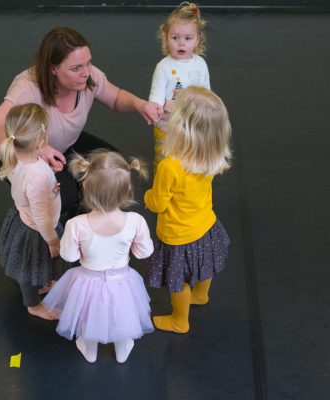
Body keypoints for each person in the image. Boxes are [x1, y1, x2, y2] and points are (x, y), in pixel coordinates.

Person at [0, 26, 163, 219]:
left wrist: (140, 104)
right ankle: (40, 217)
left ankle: (82, 221)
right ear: (52, 68)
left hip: (60, 144)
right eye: (76, 68)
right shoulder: (27, 88)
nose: (86, 72)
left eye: (88, 63)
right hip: (24, 153)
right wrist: (35, 148)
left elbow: (115, 98)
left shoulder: (89, 75)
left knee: (111, 168)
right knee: (64, 196)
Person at [43, 150, 154, 363]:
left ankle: (90, 350)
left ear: (85, 187)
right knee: (122, 316)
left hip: (87, 281)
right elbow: (144, 252)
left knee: (88, 317)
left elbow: (67, 255)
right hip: (121, 281)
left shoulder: (76, 224)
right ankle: (122, 351)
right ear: (127, 191)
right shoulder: (135, 221)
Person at [144, 86, 231, 334]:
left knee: (178, 281)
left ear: (182, 128)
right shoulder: (210, 156)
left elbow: (158, 204)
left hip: (178, 236)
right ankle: (201, 295)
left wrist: (148, 196)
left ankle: (179, 320)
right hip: (206, 226)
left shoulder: (170, 166)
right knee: (205, 265)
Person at [0, 103, 68, 321]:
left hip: (25, 220)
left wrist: (50, 179)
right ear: (40, 141)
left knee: (37, 264)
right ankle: (33, 305)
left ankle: (43, 282)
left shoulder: (16, 157)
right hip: (38, 230)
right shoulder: (35, 175)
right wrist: (53, 240)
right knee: (28, 268)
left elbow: (28, 187)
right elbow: (40, 216)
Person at [149, 2, 210, 170]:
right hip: (167, 126)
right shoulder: (164, 66)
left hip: (193, 124)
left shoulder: (200, 64)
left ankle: (184, 190)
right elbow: (156, 96)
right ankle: (162, 189)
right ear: (165, 37)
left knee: (190, 160)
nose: (181, 43)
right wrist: (154, 109)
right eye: (175, 38)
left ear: (198, 40)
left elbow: (206, 93)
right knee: (165, 161)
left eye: (188, 38)